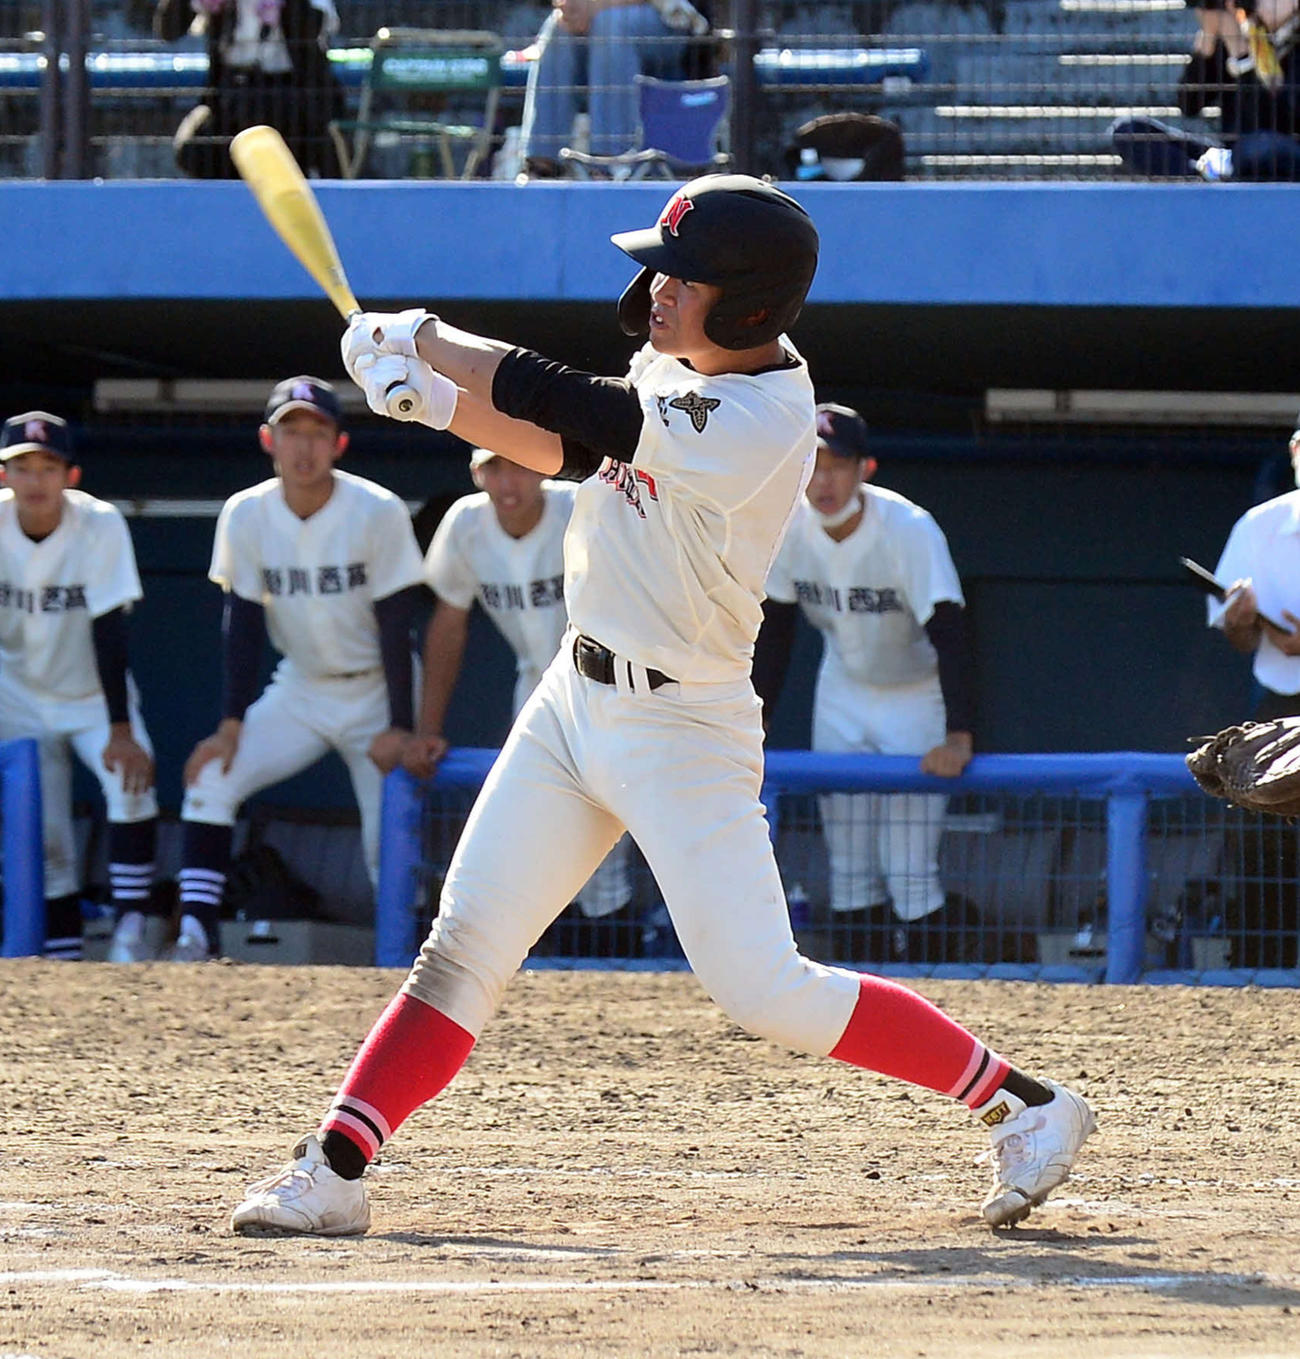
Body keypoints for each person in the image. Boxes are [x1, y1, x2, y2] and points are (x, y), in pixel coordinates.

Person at [230, 174, 1093, 1239]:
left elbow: (589, 410)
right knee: (462, 945)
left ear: (750, 306)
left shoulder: (763, 419)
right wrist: (435, 402)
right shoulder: (676, 362)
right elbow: (578, 451)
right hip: (571, 700)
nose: (658, 288)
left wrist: (427, 338)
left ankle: (1027, 1104)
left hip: (682, 727)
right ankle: (335, 1167)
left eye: (683, 276)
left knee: (763, 990)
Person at [172, 377, 425, 960]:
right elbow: (242, 622)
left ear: (339, 443)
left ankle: (407, 960)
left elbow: (398, 621)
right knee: (211, 781)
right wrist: (231, 722)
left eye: (318, 432)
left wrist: (400, 723)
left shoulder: (376, 508)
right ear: (269, 439)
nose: (304, 446)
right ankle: (196, 935)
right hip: (301, 688)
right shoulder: (246, 513)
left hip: (376, 691)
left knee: (382, 844)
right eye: (291, 431)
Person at [753, 404, 977, 966]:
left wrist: (959, 735)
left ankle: (934, 994)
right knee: (849, 868)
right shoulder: (784, 526)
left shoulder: (908, 528)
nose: (824, 480)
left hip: (914, 692)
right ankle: (865, 998)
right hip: (843, 690)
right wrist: (753, 719)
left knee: (909, 870)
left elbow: (952, 634)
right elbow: (774, 631)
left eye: (838, 464)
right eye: (814, 464)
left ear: (865, 468)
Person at [413, 446, 637, 953]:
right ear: (476, 473)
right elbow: (448, 625)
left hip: (609, 680)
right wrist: (428, 727)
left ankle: (622, 951)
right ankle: (556, 953)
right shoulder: (466, 523)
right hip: (536, 684)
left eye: (519, 464)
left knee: (613, 829)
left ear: (543, 466)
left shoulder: (579, 503)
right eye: (495, 467)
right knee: (537, 820)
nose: (508, 481)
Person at [0, 413, 162, 962]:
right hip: (16, 692)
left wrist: (119, 727)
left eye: (48, 467)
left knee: (131, 783)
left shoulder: (99, 523)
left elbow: (109, 628)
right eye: (22, 467)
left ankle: (131, 924)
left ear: (70, 474)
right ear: (5, 476)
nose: (35, 480)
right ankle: (64, 959)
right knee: (46, 835)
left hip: (93, 696)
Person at [1205, 412, 1300, 966]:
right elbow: (1236, 637)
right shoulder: (1258, 526)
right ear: (1293, 452)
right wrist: (1243, 619)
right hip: (1280, 709)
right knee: (1264, 852)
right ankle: (1261, 974)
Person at [1111, 0, 1300, 180]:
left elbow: (1275, 122)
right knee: (1129, 132)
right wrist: (1209, 37)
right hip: (1235, 154)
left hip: (1281, 152)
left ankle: (1221, 179)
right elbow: (1189, 104)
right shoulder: (1243, 32)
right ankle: (1202, 180)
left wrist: (1242, 55)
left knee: (1260, 147)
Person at [155, 0, 344, 179]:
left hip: (291, 96)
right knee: (194, 150)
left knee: (306, 151)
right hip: (231, 96)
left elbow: (312, 28)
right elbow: (168, 30)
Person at [516, 0, 705, 176]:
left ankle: (610, 163)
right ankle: (542, 162)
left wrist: (600, 5)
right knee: (558, 27)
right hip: (596, 19)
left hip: (667, 20)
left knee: (610, 24)